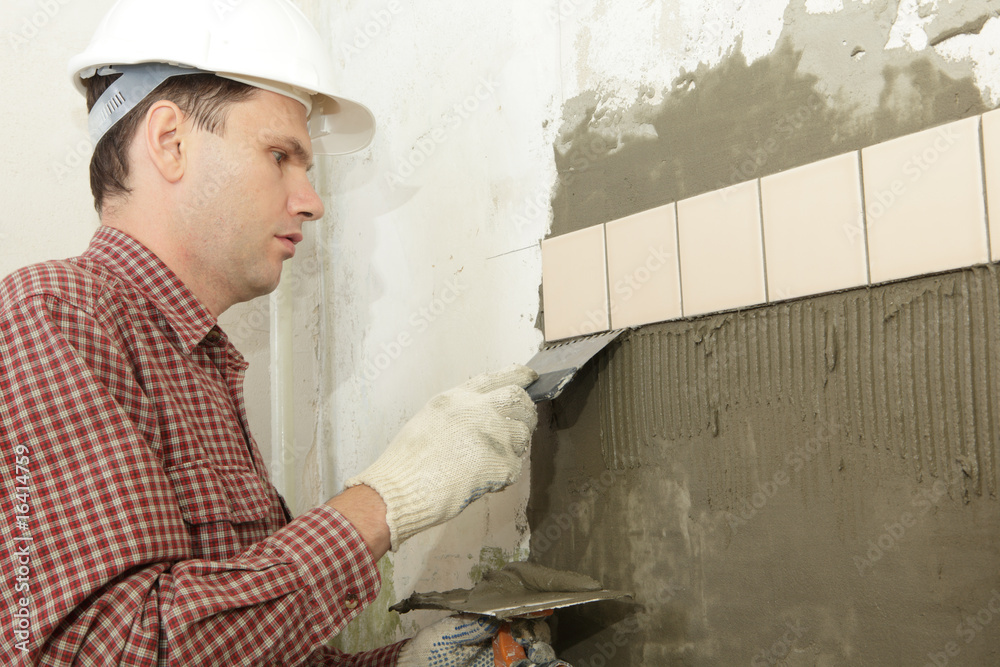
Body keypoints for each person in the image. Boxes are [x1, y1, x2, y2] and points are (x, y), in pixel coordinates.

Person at [0, 0, 547, 664]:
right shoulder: (46, 316)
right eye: (281, 155)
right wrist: (383, 504)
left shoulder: (199, 364)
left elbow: (244, 647)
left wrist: (404, 662)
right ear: (170, 141)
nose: (311, 199)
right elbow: (113, 649)